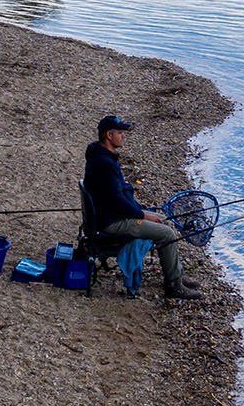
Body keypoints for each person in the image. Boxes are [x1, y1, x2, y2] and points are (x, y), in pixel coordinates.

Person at [83, 115, 202, 300]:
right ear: (109, 135)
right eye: (120, 133)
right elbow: (118, 202)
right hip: (112, 222)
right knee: (167, 234)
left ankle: (176, 274)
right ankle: (174, 287)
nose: (124, 136)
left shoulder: (100, 156)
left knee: (163, 222)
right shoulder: (105, 164)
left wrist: (144, 213)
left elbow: (117, 198)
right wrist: (143, 215)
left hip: (110, 214)